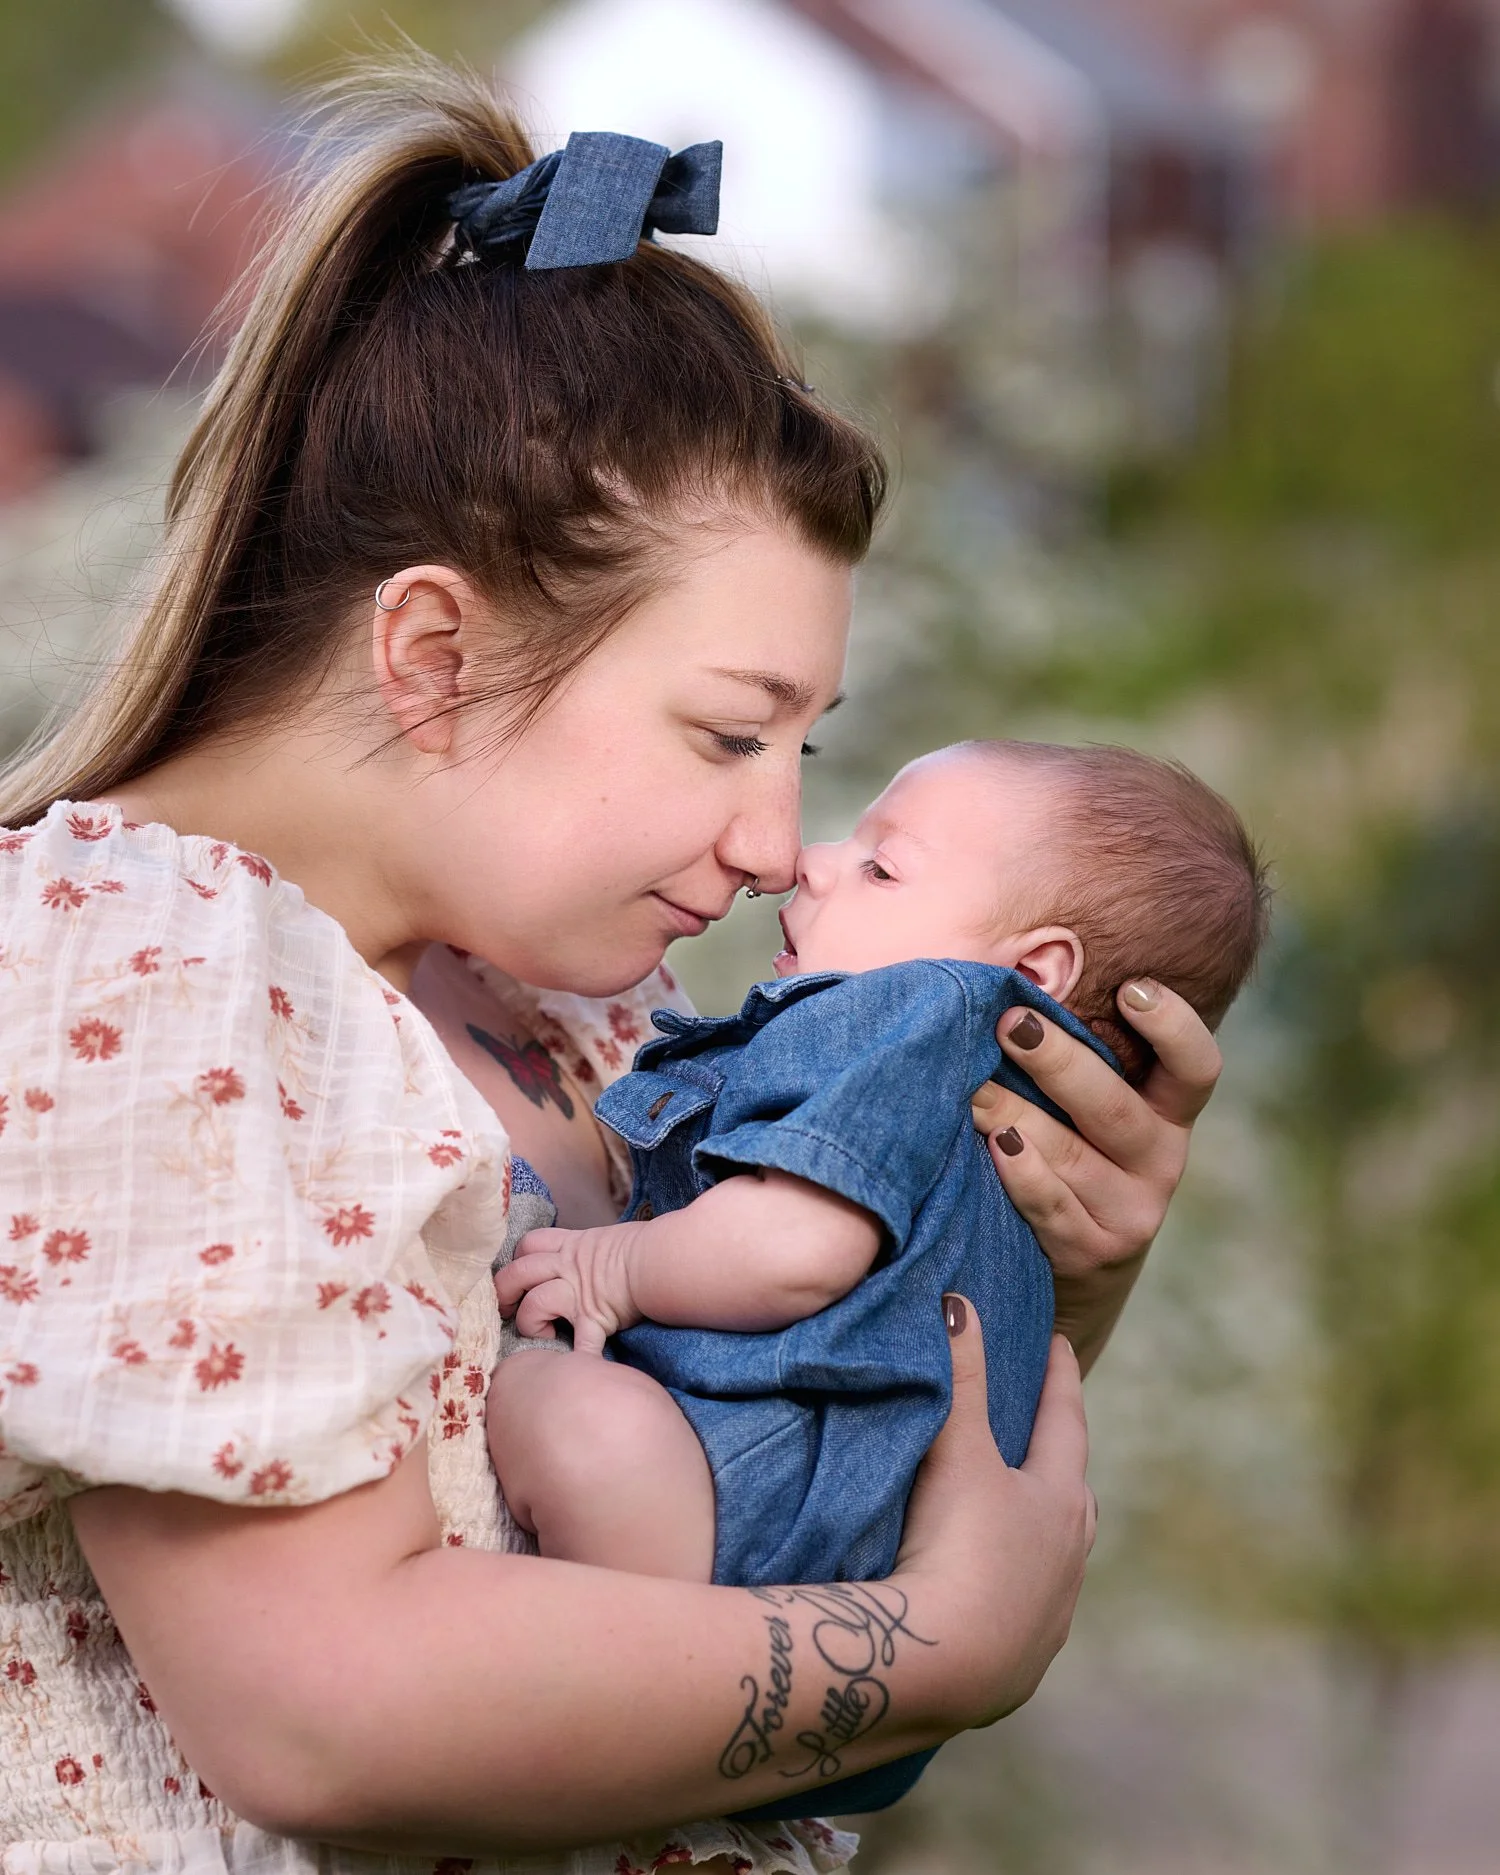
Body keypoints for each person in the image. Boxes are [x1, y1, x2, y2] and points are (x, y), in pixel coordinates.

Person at [0, 55, 1222, 1875]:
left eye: (805, 756)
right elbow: (326, 1711)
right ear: (430, 653)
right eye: (729, 734)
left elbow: (761, 1531)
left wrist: (1027, 1272)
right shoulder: (132, 972)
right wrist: (947, 1648)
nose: (772, 846)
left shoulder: (575, 1029)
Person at [486, 738, 1268, 1815]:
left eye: (882, 868)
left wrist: (612, 1262)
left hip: (746, 1507)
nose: (810, 858)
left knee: (558, 1404)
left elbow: (797, 1249)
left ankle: (622, 1678)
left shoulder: (912, 1012)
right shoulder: (1012, 1135)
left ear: (1032, 975)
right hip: (869, 1620)